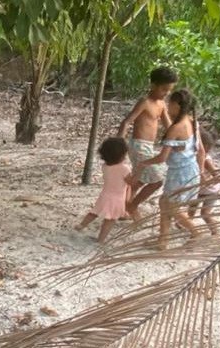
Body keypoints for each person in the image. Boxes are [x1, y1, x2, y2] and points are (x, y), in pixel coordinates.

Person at [129, 89, 206, 249]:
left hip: (179, 173)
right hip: (190, 170)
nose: (168, 106)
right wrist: (202, 172)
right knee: (165, 203)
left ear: (178, 105)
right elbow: (201, 151)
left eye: (170, 103)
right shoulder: (193, 122)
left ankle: (196, 232)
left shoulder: (176, 128)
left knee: (171, 206)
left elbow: (162, 158)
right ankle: (162, 241)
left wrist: (143, 163)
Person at [116, 66, 178, 219]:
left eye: (169, 90)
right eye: (164, 89)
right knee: (156, 180)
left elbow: (169, 126)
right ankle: (132, 206)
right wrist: (118, 144)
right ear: (153, 85)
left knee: (142, 178)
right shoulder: (145, 102)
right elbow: (127, 122)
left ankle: (123, 204)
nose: (166, 93)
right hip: (138, 146)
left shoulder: (162, 104)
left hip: (149, 147)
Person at [75, 137, 132, 243]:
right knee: (110, 220)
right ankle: (101, 239)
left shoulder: (105, 166)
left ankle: (81, 225)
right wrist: (139, 171)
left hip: (105, 195)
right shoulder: (125, 169)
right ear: (122, 155)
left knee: (94, 212)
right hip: (117, 198)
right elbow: (131, 182)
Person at [188, 126, 220, 235]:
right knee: (191, 209)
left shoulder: (206, 160)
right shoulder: (195, 156)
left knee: (205, 214)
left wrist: (205, 180)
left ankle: (215, 231)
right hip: (199, 190)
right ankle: (185, 224)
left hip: (210, 191)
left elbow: (216, 174)